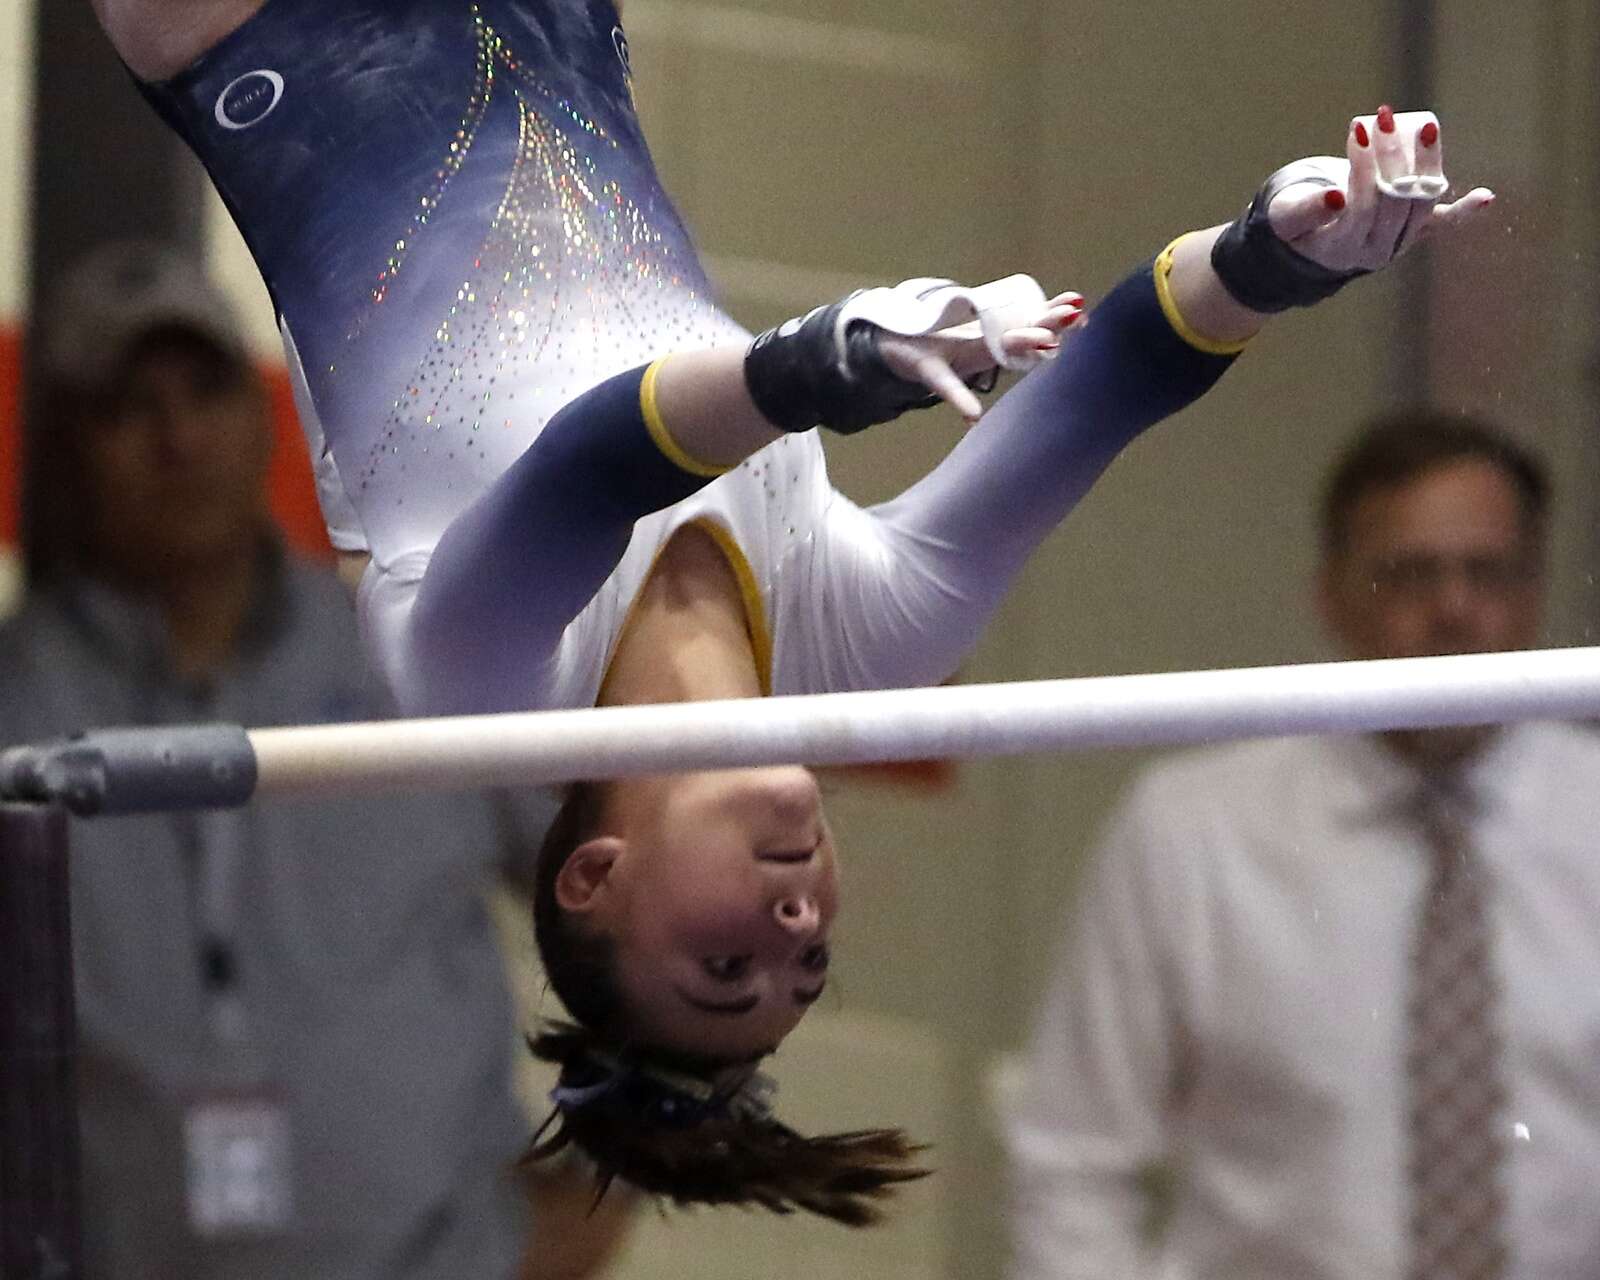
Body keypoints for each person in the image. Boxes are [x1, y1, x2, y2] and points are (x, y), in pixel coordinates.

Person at [88, 0, 1495, 1224]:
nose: (794, 913)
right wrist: (1283, 255)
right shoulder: (866, 650)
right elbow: (1108, 378)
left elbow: (590, 468)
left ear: (592, 881)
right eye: (810, 958)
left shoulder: (481, 704)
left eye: (727, 961)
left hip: (267, 38)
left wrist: (823, 366)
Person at [3, 240, 631, 1280]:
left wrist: (617, 1171)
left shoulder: (413, 662)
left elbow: (639, 901)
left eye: (205, 390)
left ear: (261, 418)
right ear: (67, 452)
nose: (177, 437)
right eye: (127, 408)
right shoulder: (18, 710)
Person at [1001, 410, 1600, 1280]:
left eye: (1490, 572)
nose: (1455, 609)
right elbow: (1073, 1162)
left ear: (1537, 591)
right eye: (1409, 575)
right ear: (1331, 594)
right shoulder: (1192, 829)